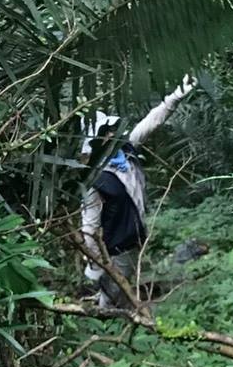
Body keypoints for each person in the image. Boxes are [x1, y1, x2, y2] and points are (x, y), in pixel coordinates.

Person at [80, 78, 194, 308]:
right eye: (105, 132)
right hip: (117, 245)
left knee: (120, 284)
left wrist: (175, 96)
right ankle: (104, 318)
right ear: (95, 141)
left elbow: (151, 122)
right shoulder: (95, 179)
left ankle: (106, 309)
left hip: (135, 235)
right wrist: (95, 264)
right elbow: (89, 226)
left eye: (111, 129)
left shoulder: (127, 149)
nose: (111, 134)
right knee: (114, 290)